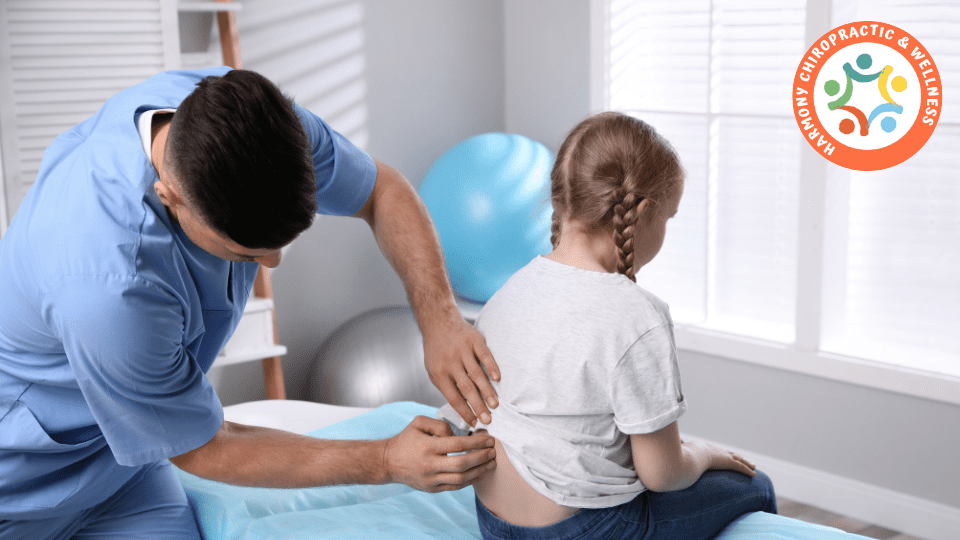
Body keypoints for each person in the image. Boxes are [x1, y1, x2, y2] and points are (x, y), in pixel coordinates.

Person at [0, 67, 501, 539]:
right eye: (247, 251)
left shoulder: (248, 121)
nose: (274, 262)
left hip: (121, 470)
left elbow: (380, 190)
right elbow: (207, 448)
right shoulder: (109, 288)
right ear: (169, 196)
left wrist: (440, 322)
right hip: (21, 485)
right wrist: (386, 460)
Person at [437, 112, 777, 540]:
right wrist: (705, 454)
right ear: (645, 213)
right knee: (755, 485)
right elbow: (661, 474)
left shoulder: (509, 291)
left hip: (495, 521)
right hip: (587, 528)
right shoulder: (636, 314)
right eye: (669, 218)